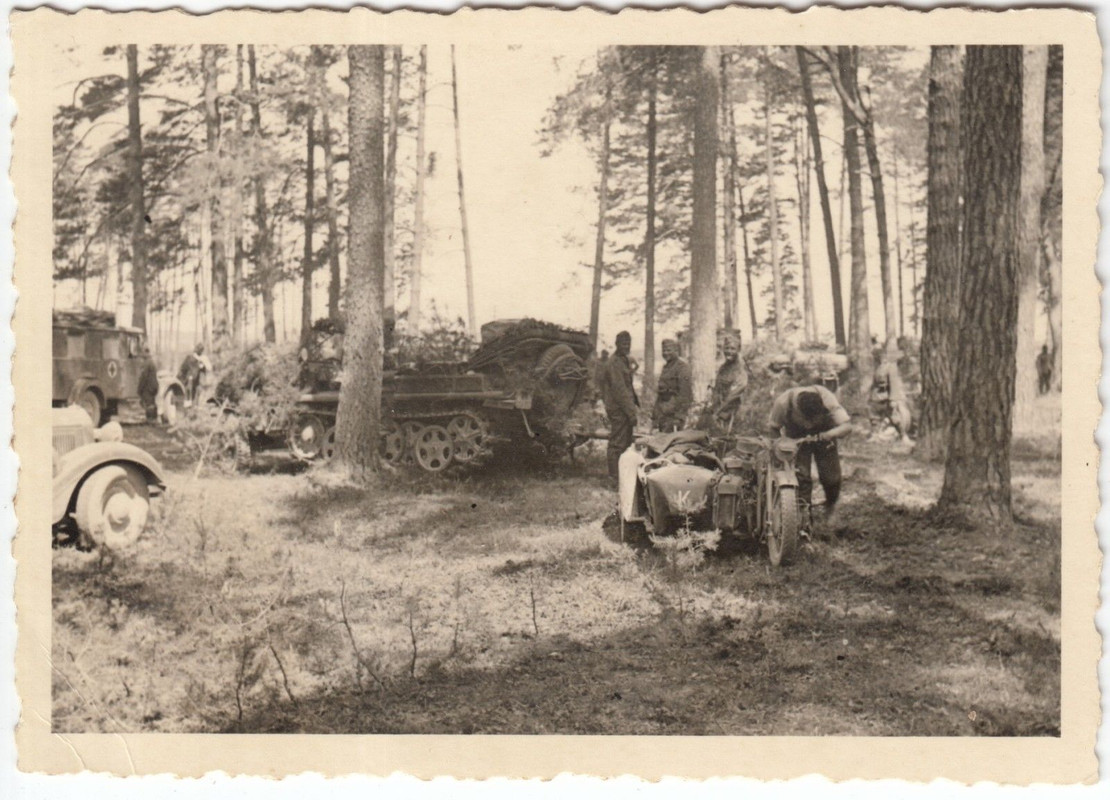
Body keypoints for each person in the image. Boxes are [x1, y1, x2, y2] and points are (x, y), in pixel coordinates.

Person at [768, 385, 853, 525]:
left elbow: (847, 426)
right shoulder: (783, 403)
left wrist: (829, 434)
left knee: (831, 478)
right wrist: (780, 448)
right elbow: (773, 428)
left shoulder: (827, 399)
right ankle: (803, 515)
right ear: (796, 410)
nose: (810, 425)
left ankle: (831, 507)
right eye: (806, 420)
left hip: (824, 434)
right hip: (796, 438)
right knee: (801, 476)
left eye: (814, 420)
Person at [596, 331, 639, 480]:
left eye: (628, 344)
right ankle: (613, 477)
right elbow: (620, 390)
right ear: (616, 344)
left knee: (625, 442)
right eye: (623, 344)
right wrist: (631, 413)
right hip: (618, 409)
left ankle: (622, 476)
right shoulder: (614, 363)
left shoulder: (623, 360)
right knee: (617, 443)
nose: (626, 346)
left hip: (623, 408)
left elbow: (628, 386)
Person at [652, 339, 692, 433]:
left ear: (676, 351)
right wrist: (655, 415)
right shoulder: (666, 368)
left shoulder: (682, 368)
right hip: (663, 415)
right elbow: (660, 394)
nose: (666, 353)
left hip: (673, 416)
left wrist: (679, 417)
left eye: (669, 350)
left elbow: (685, 395)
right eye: (664, 350)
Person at [711, 333, 748, 432]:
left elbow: (735, 394)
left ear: (738, 350)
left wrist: (720, 413)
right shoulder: (723, 368)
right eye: (727, 348)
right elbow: (717, 389)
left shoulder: (740, 369)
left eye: (733, 349)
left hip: (734, 414)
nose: (729, 352)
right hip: (719, 413)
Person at [137, 347, 160, 422]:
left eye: (143, 353)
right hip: (153, 387)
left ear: (146, 353)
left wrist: (139, 389)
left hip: (148, 388)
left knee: (149, 404)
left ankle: (151, 420)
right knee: (152, 402)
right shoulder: (151, 362)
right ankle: (153, 419)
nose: (142, 354)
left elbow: (144, 377)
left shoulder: (147, 363)